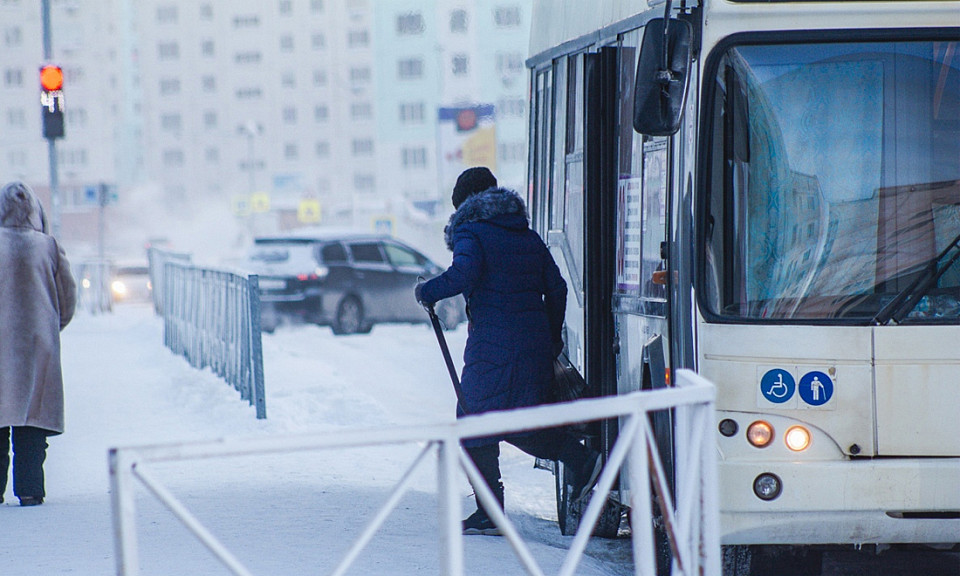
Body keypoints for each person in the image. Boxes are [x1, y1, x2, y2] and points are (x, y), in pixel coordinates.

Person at [415, 167, 601, 536]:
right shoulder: (525, 234)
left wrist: (427, 291)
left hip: (493, 348)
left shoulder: (472, 231)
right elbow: (559, 288)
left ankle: (493, 510)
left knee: (472, 423)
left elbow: (463, 274)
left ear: (466, 203)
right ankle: (578, 459)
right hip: (531, 346)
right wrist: (549, 335)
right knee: (516, 417)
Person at [0, 181, 76, 506]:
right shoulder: (48, 246)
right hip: (37, 344)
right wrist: (49, 327)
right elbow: (67, 299)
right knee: (32, 420)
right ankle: (30, 489)